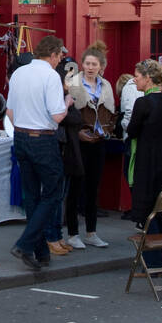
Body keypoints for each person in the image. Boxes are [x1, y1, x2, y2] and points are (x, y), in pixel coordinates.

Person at [6, 35, 70, 270]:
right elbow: (57, 115)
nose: (60, 60)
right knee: (53, 193)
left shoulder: (20, 73)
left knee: (31, 195)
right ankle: (24, 244)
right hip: (42, 138)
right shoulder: (51, 76)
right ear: (52, 55)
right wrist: (68, 102)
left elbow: (10, 111)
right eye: (59, 56)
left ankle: (41, 252)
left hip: (21, 136)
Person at [126, 64, 162, 269]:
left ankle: (154, 265)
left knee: (147, 214)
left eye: (137, 76)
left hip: (146, 162)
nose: (135, 80)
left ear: (148, 78)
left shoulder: (143, 103)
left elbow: (132, 130)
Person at [64, 43, 114, 249]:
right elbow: (64, 114)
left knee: (94, 188)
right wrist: (77, 133)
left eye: (94, 64)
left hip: (98, 141)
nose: (90, 67)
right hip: (78, 142)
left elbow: (110, 112)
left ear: (101, 66)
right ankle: (73, 233)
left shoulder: (106, 85)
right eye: (87, 63)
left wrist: (107, 130)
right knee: (75, 187)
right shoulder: (72, 83)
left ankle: (91, 232)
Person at [49, 62, 83, 256]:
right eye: (69, 78)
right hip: (58, 149)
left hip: (67, 151)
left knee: (61, 195)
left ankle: (57, 235)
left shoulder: (66, 96)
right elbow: (66, 118)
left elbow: (77, 118)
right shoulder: (60, 97)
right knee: (56, 196)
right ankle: (52, 236)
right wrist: (67, 106)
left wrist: (70, 108)